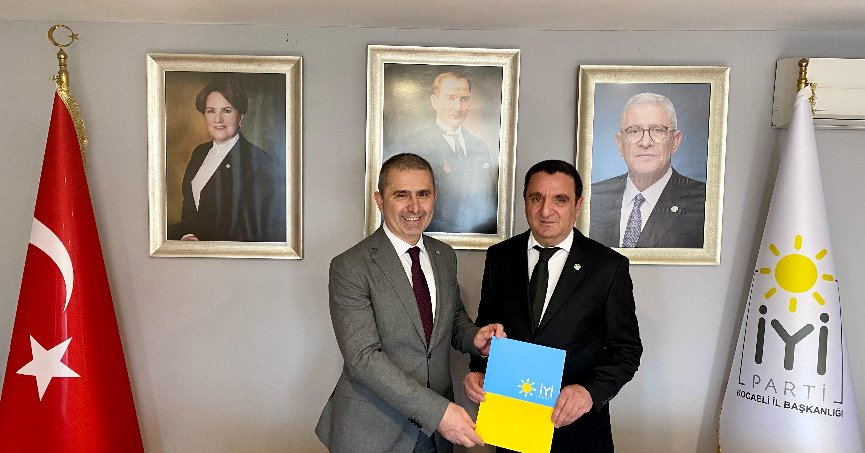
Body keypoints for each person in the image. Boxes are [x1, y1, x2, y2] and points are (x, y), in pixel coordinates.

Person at [316, 153, 506, 453]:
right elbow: (363, 359)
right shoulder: (350, 266)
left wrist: (475, 338)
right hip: (374, 430)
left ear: (435, 197)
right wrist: (438, 413)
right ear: (380, 200)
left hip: (435, 437)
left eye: (423, 194)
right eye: (401, 194)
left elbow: (452, 319)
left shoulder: (444, 256)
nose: (414, 207)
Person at [465, 160, 642, 452]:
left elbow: (627, 350)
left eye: (560, 200)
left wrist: (589, 392)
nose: (546, 211)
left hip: (577, 433)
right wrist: (478, 371)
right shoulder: (499, 257)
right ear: (525, 201)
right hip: (511, 428)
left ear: (578, 205)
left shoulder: (608, 267)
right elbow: (487, 332)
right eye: (537, 198)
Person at [173, 79, 285, 242]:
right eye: (211, 111)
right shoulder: (199, 153)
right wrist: (188, 235)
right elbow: (190, 204)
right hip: (194, 254)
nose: (217, 119)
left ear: (240, 117)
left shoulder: (261, 163)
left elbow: (261, 229)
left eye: (226, 110)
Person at [590, 92, 706, 248]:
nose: (645, 142)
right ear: (620, 144)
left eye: (657, 130)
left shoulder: (704, 202)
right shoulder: (591, 198)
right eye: (634, 131)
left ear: (675, 141)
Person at [394, 71, 498, 234]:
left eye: (464, 99)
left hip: (475, 235)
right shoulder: (412, 144)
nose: (458, 107)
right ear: (434, 102)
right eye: (450, 98)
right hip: (429, 234)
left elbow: (489, 200)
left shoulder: (480, 146)